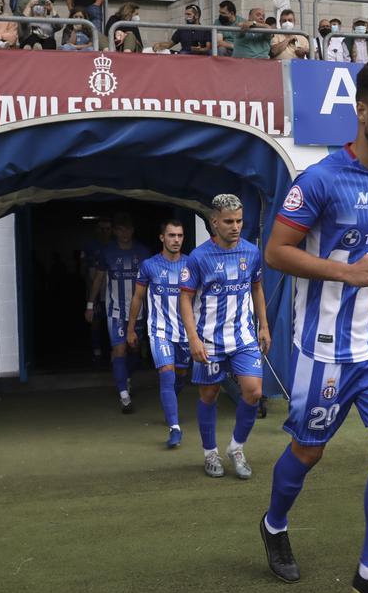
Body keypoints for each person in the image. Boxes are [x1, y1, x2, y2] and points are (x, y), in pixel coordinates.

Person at [260, 61, 368, 593]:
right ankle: (274, 523)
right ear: (361, 110)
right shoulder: (320, 179)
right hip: (323, 348)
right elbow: (277, 253)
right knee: (309, 451)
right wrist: (348, 273)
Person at [178, 194, 270, 480]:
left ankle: (237, 448)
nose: (235, 226)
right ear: (214, 222)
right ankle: (210, 453)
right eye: (229, 221)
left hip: (243, 338)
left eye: (239, 221)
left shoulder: (251, 252)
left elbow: (257, 288)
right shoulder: (198, 257)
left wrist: (264, 325)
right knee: (210, 394)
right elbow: (185, 299)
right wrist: (192, 338)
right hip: (210, 342)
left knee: (254, 391)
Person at [126, 219, 192, 449]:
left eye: (180, 236)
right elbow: (138, 298)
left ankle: (170, 404)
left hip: (186, 333)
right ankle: (174, 428)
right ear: (162, 237)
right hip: (160, 331)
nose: (176, 240)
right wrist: (131, 327)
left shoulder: (191, 264)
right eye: (171, 235)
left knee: (180, 376)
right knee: (167, 374)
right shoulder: (149, 265)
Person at [86, 213, 151, 413]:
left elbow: (152, 281)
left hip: (139, 312)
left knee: (134, 352)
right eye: (120, 229)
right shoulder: (107, 252)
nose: (124, 233)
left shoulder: (143, 252)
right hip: (115, 312)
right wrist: (90, 304)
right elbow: (98, 279)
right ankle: (124, 396)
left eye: (127, 229)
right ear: (115, 232)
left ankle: (125, 377)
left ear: (132, 230)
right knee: (119, 350)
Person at [81, 217, 114, 363]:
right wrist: (89, 292)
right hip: (95, 291)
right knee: (95, 321)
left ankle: (115, 349)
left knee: (114, 321)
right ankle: (97, 350)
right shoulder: (89, 246)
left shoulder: (115, 246)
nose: (104, 232)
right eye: (102, 228)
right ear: (96, 230)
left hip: (113, 292)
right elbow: (83, 269)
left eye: (107, 229)